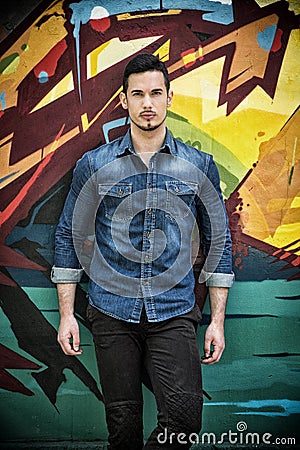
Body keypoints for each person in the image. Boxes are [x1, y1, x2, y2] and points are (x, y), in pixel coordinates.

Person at [51, 53, 234, 449]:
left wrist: (217, 321)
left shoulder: (198, 164)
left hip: (174, 312)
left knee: (183, 423)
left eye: (155, 93)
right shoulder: (94, 165)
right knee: (124, 431)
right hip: (111, 312)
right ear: (124, 101)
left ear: (170, 97)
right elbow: (68, 235)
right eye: (138, 94)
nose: (147, 103)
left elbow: (220, 241)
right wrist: (67, 314)